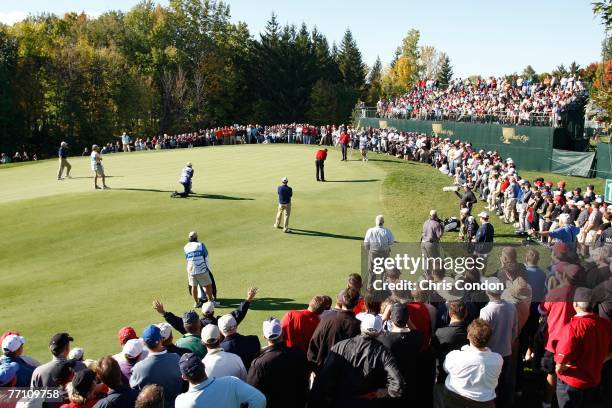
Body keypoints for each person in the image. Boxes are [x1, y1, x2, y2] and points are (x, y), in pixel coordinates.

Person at [310, 314, 405, 407]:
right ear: (380, 332)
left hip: (341, 401)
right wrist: (384, 392)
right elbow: (398, 384)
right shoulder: (383, 352)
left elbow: (325, 378)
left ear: (361, 327)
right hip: (366, 402)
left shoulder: (341, 346)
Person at [554, 287, 612, 408]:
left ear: (575, 304)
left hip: (572, 382)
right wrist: (597, 362)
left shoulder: (572, 328)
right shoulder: (606, 324)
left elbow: (560, 362)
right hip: (593, 380)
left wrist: (559, 369)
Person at [247, 318, 309, 408]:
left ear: (264, 337)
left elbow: (251, 392)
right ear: (283, 333)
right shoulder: (298, 353)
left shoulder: (259, 363)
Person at [443, 319, 503, 408]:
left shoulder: (454, 356)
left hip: (455, 398)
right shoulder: (498, 359)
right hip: (485, 402)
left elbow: (446, 368)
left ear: (468, 335)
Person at [479, 277, 518, 408]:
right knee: (504, 385)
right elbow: (515, 330)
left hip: (491, 355)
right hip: (506, 352)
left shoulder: (486, 311)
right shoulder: (511, 307)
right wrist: (508, 343)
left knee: (491, 387)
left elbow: (482, 336)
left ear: (487, 291)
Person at [174, 353, 266, 408]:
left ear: (184, 377)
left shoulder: (181, 402)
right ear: (204, 366)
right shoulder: (231, 382)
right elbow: (260, 400)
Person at [378, 303, 424, 407]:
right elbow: (416, 331)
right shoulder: (416, 337)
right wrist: (408, 320)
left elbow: (375, 331)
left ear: (391, 318)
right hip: (411, 385)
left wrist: (384, 317)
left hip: (391, 386)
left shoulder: (385, 338)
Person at [307, 288, 362, 373]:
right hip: (347, 378)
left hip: (324, 374)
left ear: (342, 301)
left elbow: (313, 346)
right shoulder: (359, 326)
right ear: (356, 303)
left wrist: (315, 370)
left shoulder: (327, 320)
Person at [130, 325, 182, 408]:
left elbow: (134, 392)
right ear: (161, 339)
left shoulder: (138, 368)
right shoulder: (176, 358)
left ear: (144, 343)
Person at [183, 231, 216, 308]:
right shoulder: (200, 245)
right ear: (196, 237)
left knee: (194, 286)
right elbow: (206, 255)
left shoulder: (185, 247)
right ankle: (210, 301)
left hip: (190, 270)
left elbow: (187, 258)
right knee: (208, 285)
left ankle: (196, 303)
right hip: (201, 268)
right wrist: (208, 268)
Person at [364, 215, 395, 287]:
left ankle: (370, 289)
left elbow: (366, 244)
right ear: (383, 222)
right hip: (385, 254)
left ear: (376, 222)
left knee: (372, 271)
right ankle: (383, 288)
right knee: (384, 272)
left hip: (373, 253)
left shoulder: (370, 231)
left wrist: (370, 250)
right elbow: (391, 243)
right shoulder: (387, 231)